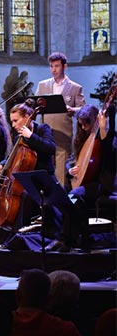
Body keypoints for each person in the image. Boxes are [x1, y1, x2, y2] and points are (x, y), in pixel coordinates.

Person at [0, 101, 56, 248]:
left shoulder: (42, 129)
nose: (13, 125)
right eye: (11, 121)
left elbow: (50, 148)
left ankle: (15, 237)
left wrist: (31, 136)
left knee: (26, 196)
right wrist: (1, 164)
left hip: (41, 179)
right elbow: (12, 156)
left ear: (27, 117)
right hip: (23, 179)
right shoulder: (18, 137)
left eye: (15, 120)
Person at [51, 103, 116, 252]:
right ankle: (72, 237)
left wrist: (104, 129)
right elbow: (72, 159)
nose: (84, 127)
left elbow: (110, 153)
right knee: (66, 198)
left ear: (94, 121)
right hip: (84, 183)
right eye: (81, 124)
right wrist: (70, 169)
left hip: (100, 184)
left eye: (86, 123)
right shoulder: (82, 139)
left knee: (72, 197)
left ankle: (74, 236)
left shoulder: (107, 137)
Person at [36, 52, 85, 187]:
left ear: (65, 66)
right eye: (51, 66)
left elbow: (83, 109)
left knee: (60, 171)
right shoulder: (43, 85)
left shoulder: (75, 87)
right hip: (45, 135)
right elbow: (34, 104)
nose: (53, 70)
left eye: (57, 66)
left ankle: (61, 202)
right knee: (45, 169)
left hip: (63, 135)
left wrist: (73, 109)